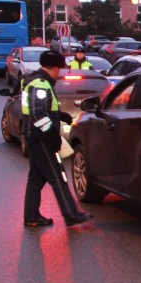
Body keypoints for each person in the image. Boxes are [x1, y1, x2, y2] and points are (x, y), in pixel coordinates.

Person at [22, 50, 93, 228]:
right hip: (41, 138)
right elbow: (38, 114)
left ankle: (31, 216)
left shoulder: (34, 81)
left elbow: (39, 109)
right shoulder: (41, 84)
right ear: (54, 68)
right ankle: (71, 214)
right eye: (59, 69)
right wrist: (52, 135)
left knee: (36, 178)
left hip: (33, 136)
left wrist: (59, 116)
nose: (60, 73)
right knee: (57, 176)